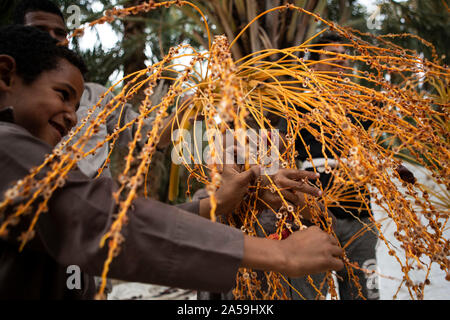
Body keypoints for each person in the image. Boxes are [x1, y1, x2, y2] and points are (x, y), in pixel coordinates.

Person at [0, 25, 344, 299]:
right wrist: (280, 256)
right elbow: (101, 218)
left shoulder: (88, 109)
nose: (73, 118)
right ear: (6, 74)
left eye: (77, 105)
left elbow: (153, 151)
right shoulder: (8, 145)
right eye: (62, 95)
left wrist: (221, 200)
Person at [13, 0, 177, 179]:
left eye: (59, 33)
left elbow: (147, 137)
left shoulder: (96, 96)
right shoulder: (10, 95)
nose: (52, 38)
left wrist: (182, 111)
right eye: (39, 30)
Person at [278, 33, 380, 299]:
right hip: (313, 223)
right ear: (313, 64)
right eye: (332, 54)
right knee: (309, 294)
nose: (340, 61)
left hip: (360, 221)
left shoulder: (361, 108)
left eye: (346, 56)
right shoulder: (296, 108)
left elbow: (384, 148)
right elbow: (279, 162)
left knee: (363, 294)